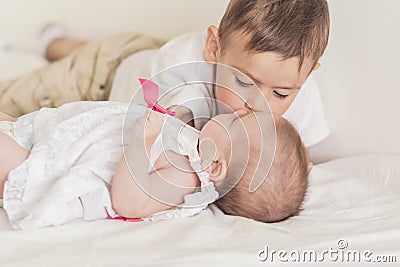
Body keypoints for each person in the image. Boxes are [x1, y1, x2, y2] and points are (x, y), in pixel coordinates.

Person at [0, 0, 330, 153]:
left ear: (309, 75)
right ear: (214, 47)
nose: (259, 105)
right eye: (244, 82)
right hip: (106, 71)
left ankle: (56, 41)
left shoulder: (296, 82)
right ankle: (50, 42)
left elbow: (301, 157)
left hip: (150, 57)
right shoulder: (180, 89)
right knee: (18, 97)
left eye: (282, 95)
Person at [0, 99, 308, 229]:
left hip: (43, 169)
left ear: (215, 167)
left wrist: (142, 143)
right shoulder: (194, 149)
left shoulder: (186, 178)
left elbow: (130, 202)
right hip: (50, 140)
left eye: (236, 120)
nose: (234, 110)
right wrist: (176, 123)